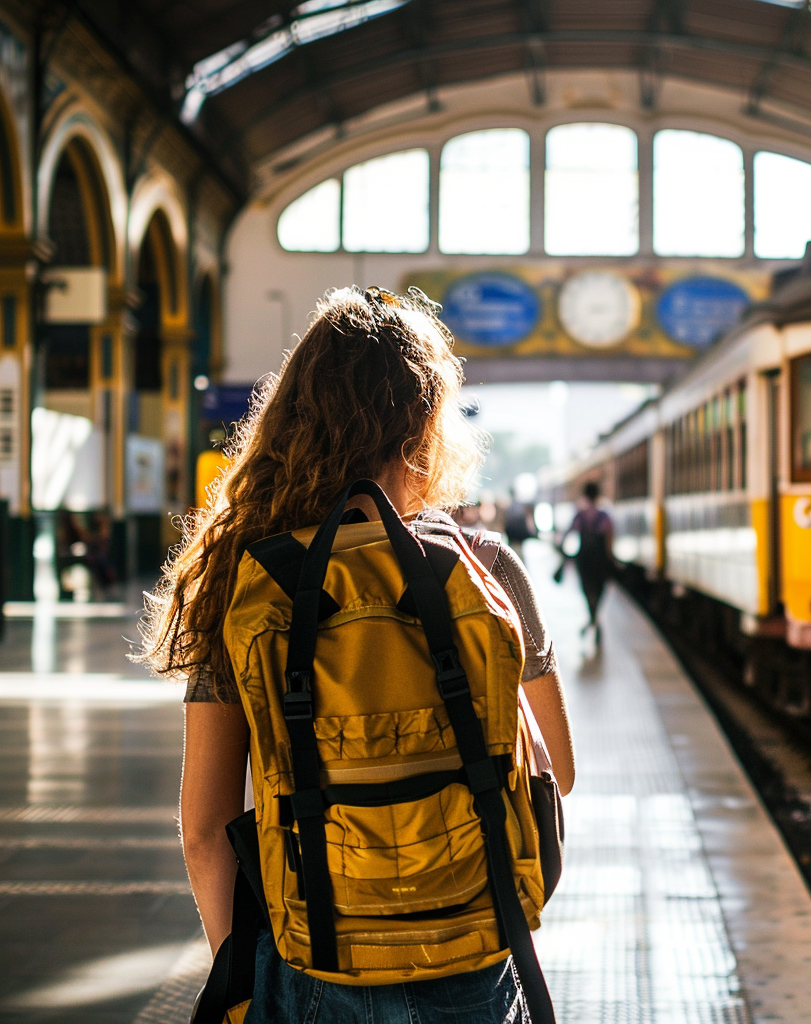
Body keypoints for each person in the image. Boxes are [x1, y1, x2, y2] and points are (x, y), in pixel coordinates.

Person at [136, 287, 574, 1024]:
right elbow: (553, 774)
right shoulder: (484, 568)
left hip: (314, 956)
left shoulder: (246, 576)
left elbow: (205, 829)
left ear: (292, 419)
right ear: (429, 424)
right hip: (469, 949)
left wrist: (239, 981)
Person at [568, 480, 614, 643]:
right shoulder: (605, 516)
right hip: (600, 560)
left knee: (588, 591)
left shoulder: (580, 515)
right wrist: (610, 558)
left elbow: (571, 535)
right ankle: (594, 622)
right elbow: (609, 539)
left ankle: (591, 621)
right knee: (599, 590)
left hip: (584, 560)